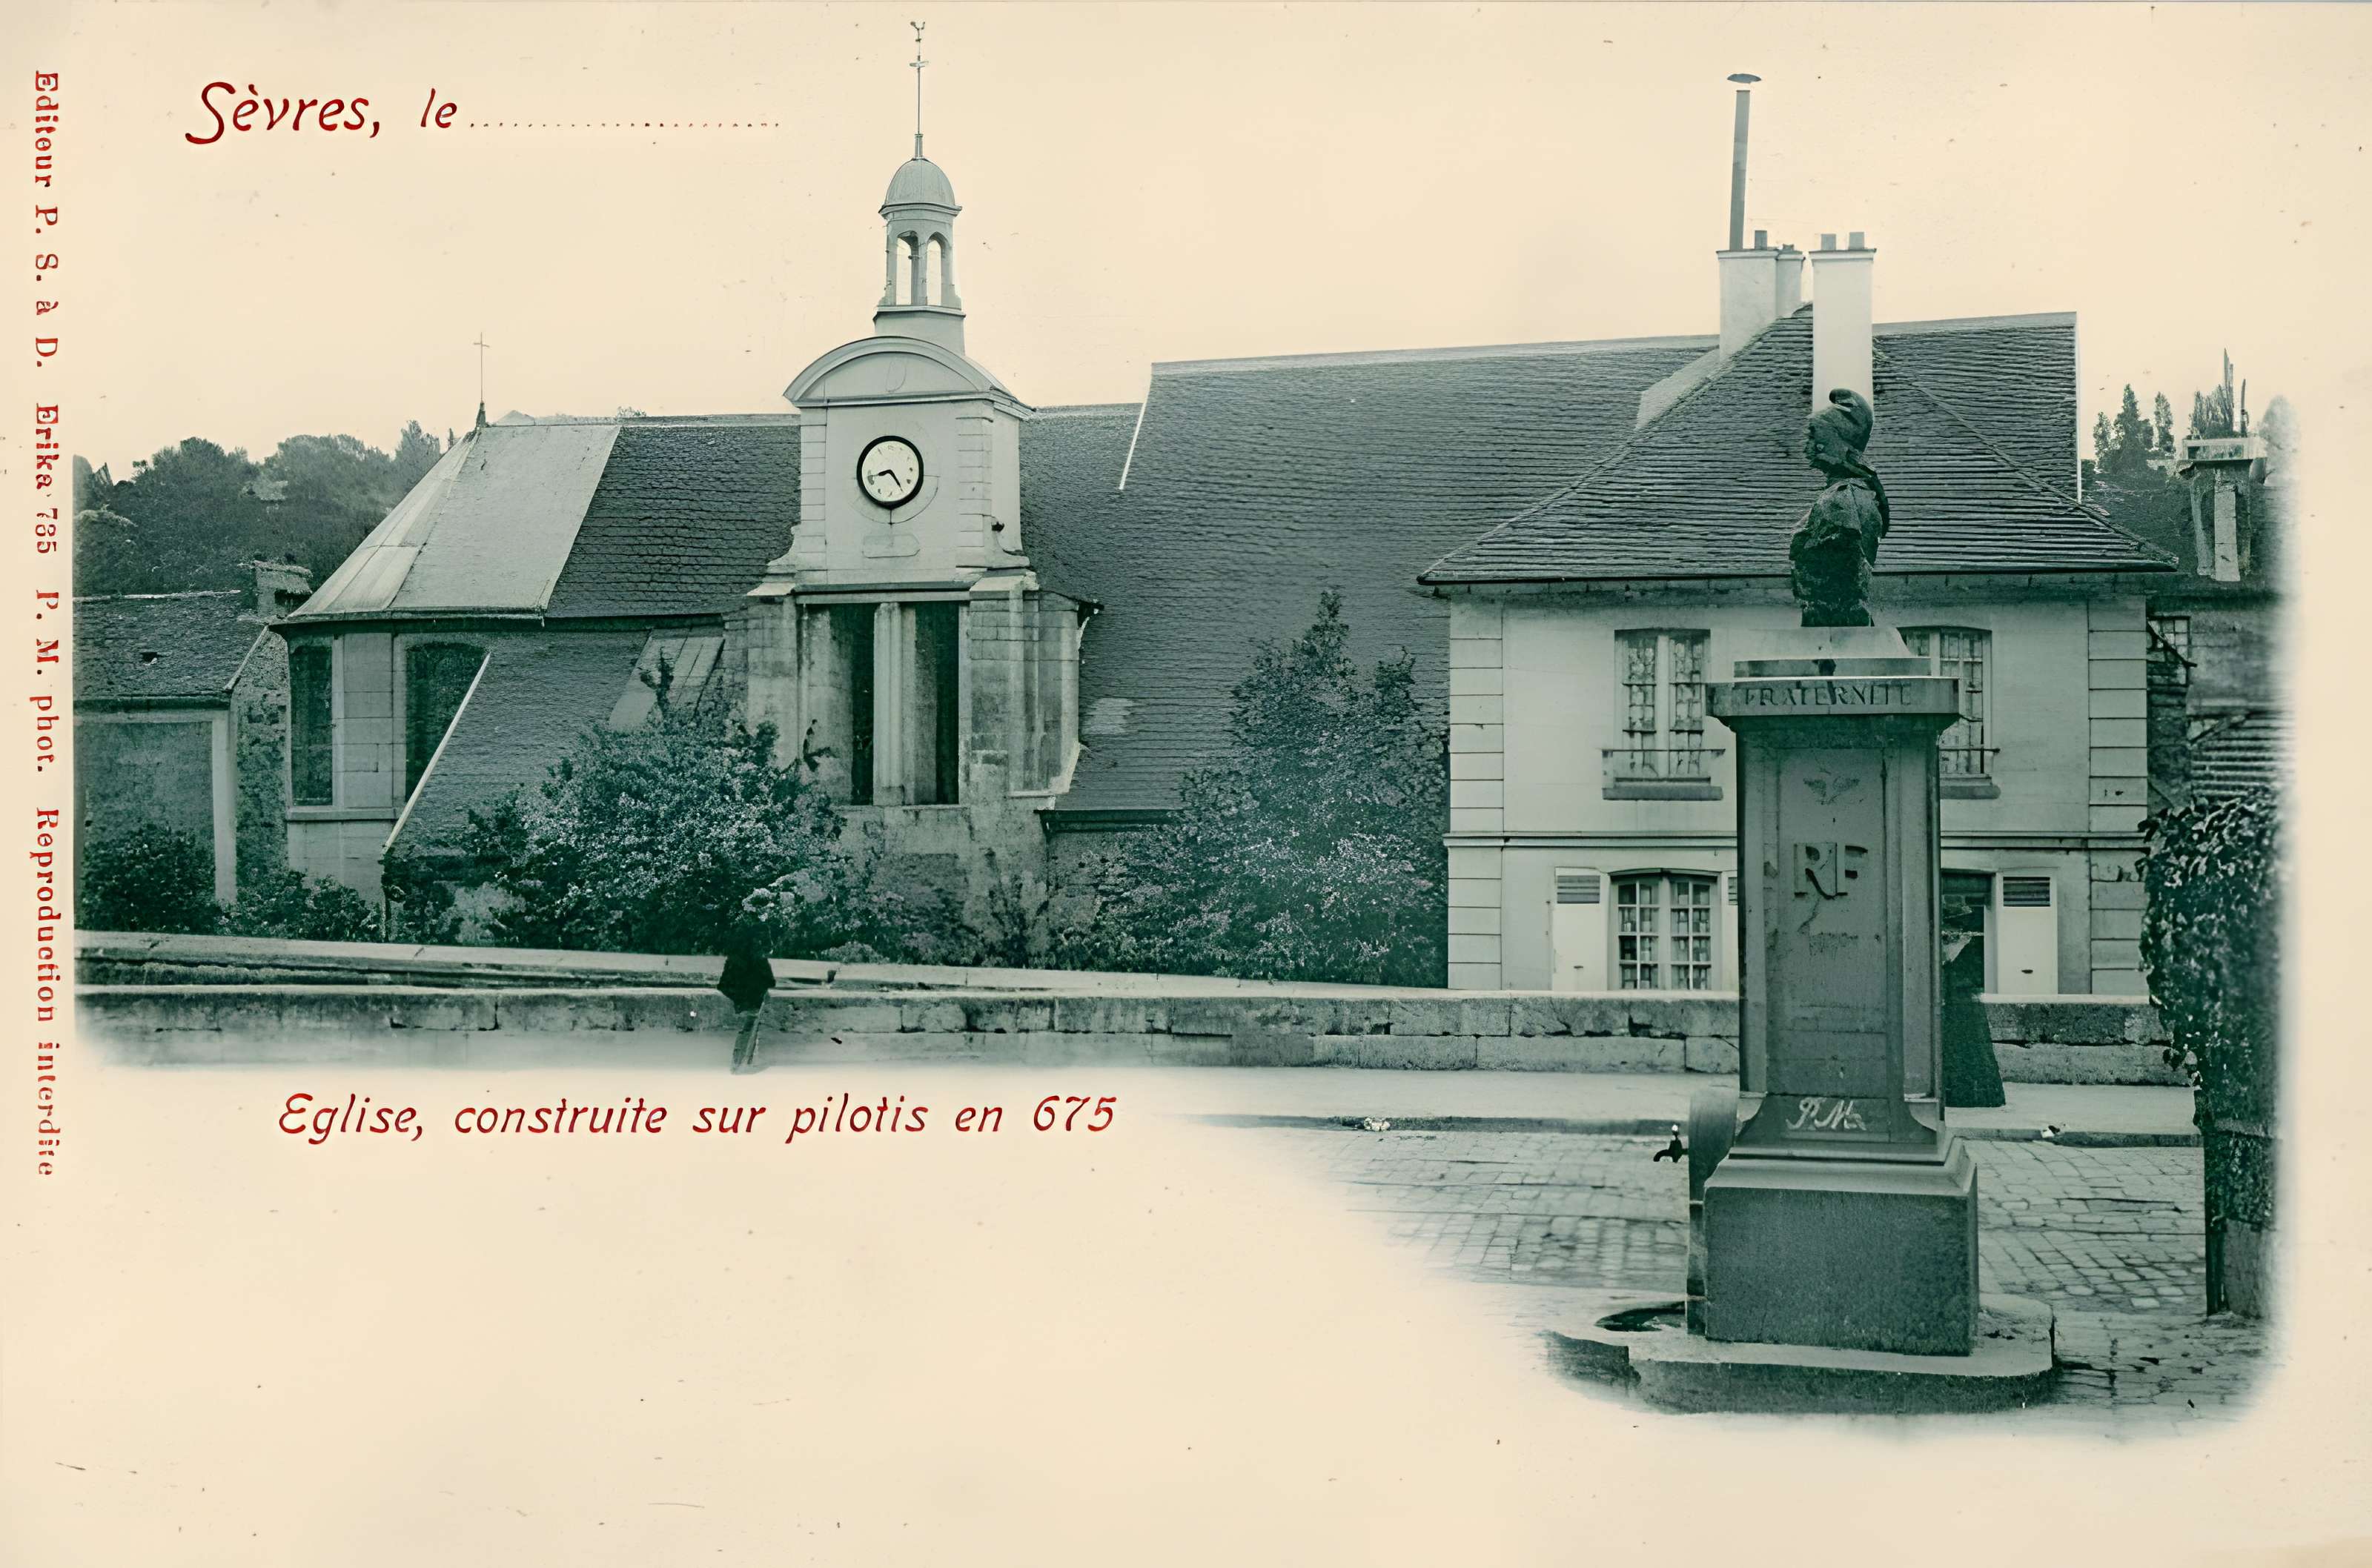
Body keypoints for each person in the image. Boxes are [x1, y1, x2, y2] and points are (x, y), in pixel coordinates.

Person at [1788, 388, 1891, 628]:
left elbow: (1839, 572)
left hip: (1833, 625)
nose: (1807, 444)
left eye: (1814, 435)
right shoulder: (1854, 493)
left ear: (1833, 443)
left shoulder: (1842, 499)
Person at [718, 901, 776, 1074]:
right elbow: (760, 960)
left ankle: (741, 1062)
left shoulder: (744, 931)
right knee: (750, 1023)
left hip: (743, 984)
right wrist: (766, 981)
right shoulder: (757, 932)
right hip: (749, 986)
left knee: (750, 1023)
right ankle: (740, 1063)